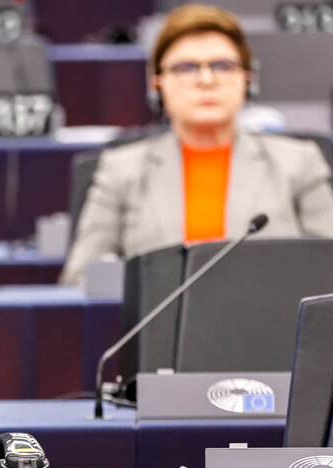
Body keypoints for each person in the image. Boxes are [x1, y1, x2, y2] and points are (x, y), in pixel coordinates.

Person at [60, 4, 333, 286]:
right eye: (186, 67)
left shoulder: (299, 162)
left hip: (273, 327)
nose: (206, 80)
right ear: (156, 85)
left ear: (249, 80)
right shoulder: (120, 170)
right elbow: (80, 280)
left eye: (223, 66)